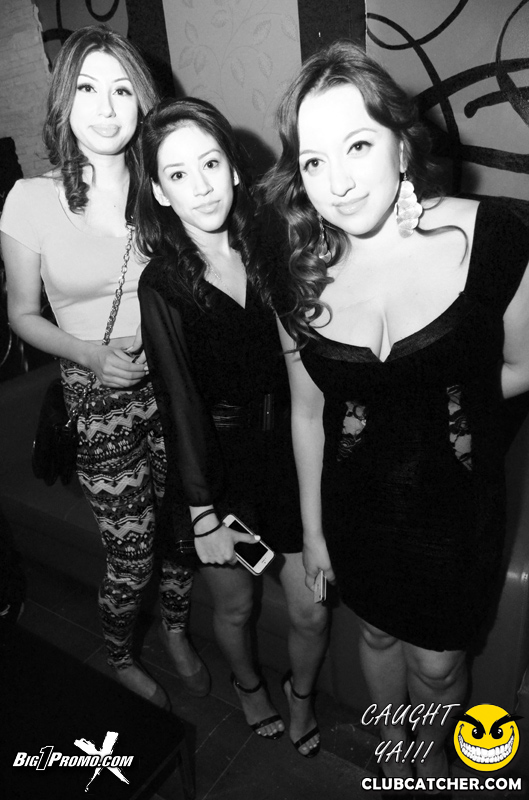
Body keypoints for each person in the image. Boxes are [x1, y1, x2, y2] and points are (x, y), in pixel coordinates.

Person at [264, 39, 529, 785]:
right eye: (314, 161)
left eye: (357, 145)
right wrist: (314, 534)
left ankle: (431, 762)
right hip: (357, 503)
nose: (339, 183)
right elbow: (306, 413)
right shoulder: (296, 273)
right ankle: (394, 758)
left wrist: (442, 399)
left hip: (456, 506)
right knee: (376, 638)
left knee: (438, 668)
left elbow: (522, 367)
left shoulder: (495, 239)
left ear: (401, 145)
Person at [0, 25, 209, 709]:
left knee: (183, 533)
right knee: (133, 552)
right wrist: (90, 353)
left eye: (122, 89)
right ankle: (119, 654)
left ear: (143, 101)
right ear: (64, 101)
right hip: (94, 397)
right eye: (88, 88)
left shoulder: (167, 190)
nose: (106, 106)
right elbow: (22, 314)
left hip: (176, 389)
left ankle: (175, 629)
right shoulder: (30, 200)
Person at [135, 97, 329, 757]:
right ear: (160, 191)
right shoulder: (163, 283)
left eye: (210, 163)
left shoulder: (267, 244)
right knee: (237, 606)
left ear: (234, 168)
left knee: (311, 609)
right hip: (219, 474)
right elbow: (179, 402)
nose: (201, 185)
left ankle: (301, 695)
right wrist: (202, 512)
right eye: (178, 174)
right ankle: (247, 685)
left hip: (291, 456)